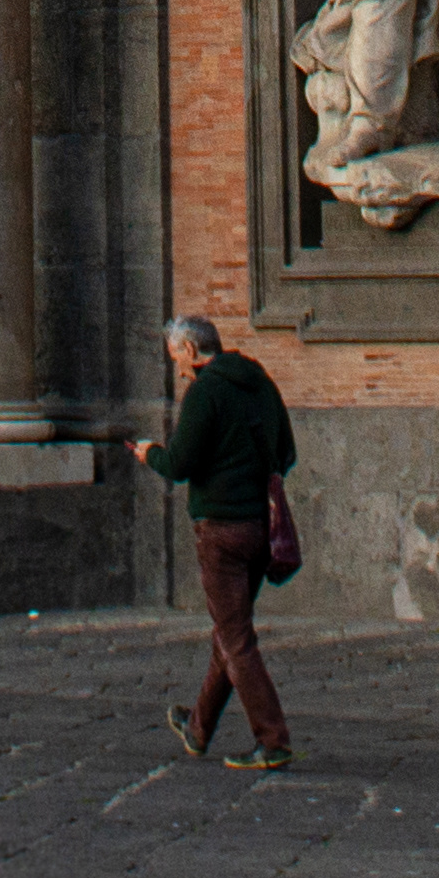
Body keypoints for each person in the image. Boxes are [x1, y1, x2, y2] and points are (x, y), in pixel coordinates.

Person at [143, 311, 298, 772]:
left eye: (177, 356)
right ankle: (198, 728)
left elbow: (179, 464)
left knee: (236, 638)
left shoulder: (204, 393)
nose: (178, 366)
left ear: (190, 350)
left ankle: (273, 741)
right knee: (228, 635)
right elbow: (286, 451)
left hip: (220, 532)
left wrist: (148, 453)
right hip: (259, 527)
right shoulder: (260, 382)